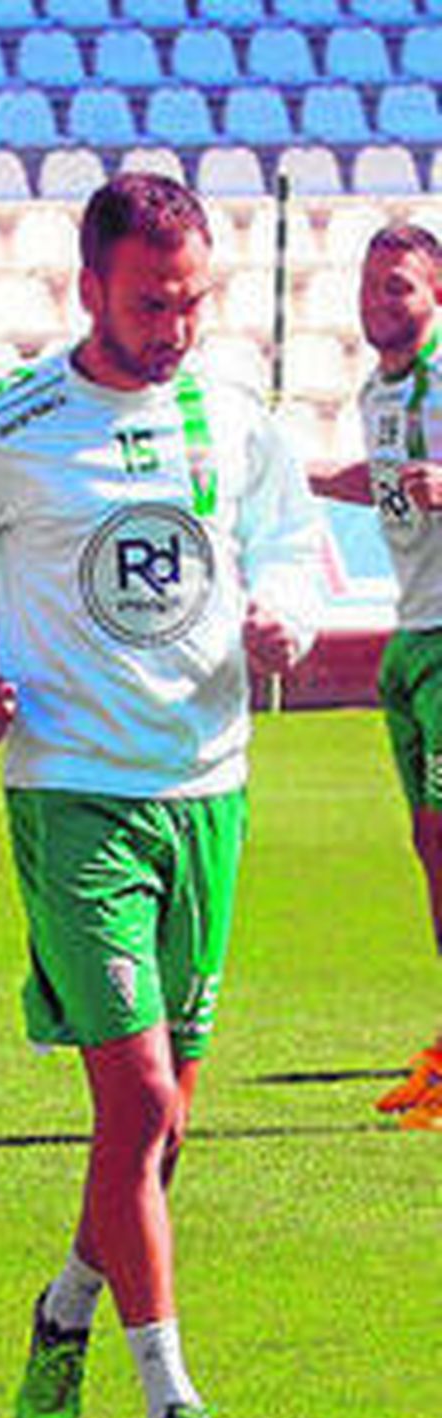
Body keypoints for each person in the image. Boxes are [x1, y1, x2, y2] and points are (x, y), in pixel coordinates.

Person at [0, 175, 323, 1418]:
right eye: (149, 300)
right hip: (74, 791)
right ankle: (170, 1402)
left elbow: (296, 544)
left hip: (212, 788)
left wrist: (286, 613)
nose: (174, 324)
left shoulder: (234, 418)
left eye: (192, 300)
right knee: (132, 1093)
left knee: (163, 1124)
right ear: (90, 288)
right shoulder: (9, 424)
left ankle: (65, 1305)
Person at [308, 223, 442, 1131]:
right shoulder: (378, 389)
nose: (377, 302)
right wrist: (305, 476)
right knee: (430, 847)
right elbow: (389, 477)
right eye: (369, 286)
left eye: (397, 286)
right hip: (412, 637)